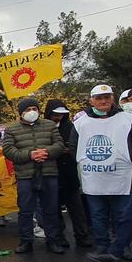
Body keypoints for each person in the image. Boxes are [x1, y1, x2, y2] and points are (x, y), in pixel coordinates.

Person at [74, 85, 132, 262]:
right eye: (99, 98)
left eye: (107, 98)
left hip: (121, 176)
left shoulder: (128, 119)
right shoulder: (81, 121)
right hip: (94, 176)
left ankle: (120, 248)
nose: (103, 101)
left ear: (113, 99)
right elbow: (73, 144)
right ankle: (103, 247)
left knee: (124, 215)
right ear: (91, 100)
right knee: (98, 215)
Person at [3, 98, 67, 254]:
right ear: (21, 113)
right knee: (25, 209)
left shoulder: (50, 125)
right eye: (27, 109)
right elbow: (8, 150)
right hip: (25, 175)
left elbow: (59, 145)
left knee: (50, 208)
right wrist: (30, 155)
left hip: (48, 172)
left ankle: (52, 240)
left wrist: (46, 152)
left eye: (35, 108)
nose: (32, 112)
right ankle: (26, 241)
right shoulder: (12, 129)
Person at [44, 99, 91, 248]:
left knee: (76, 208)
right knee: (53, 207)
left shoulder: (72, 127)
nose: (58, 117)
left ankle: (82, 236)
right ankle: (59, 236)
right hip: (52, 171)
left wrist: (69, 150)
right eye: (55, 114)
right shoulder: (43, 127)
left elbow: (79, 146)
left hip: (69, 171)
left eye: (61, 114)